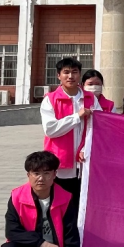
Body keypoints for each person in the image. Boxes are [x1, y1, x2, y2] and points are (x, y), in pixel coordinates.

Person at [40, 57, 96, 198]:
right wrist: (77, 117)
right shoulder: (50, 99)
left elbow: (98, 128)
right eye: (66, 72)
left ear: (80, 75)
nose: (70, 76)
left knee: (82, 203)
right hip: (59, 164)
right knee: (60, 202)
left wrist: (86, 148)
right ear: (58, 75)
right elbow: (50, 129)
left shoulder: (90, 98)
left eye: (74, 72)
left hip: (85, 162)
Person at [76, 69, 115, 164]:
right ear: (83, 84)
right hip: (76, 148)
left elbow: (111, 129)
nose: (94, 87)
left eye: (97, 84)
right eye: (90, 84)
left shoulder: (109, 105)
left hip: (101, 149)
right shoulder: (79, 103)